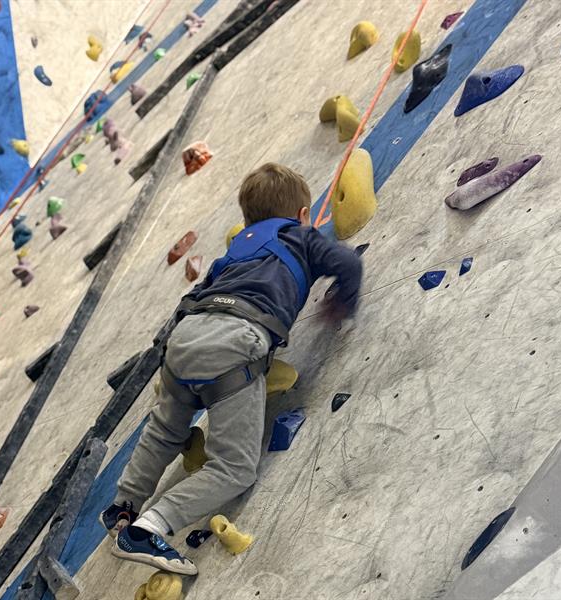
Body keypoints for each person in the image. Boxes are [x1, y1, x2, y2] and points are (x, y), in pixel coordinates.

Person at [100, 163, 363, 575]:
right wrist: (342, 301)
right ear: (303, 215)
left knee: (166, 430)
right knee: (235, 468)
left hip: (185, 337)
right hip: (234, 342)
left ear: (248, 221)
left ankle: (123, 505)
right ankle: (148, 528)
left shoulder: (238, 248)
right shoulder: (300, 234)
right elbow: (348, 264)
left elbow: (196, 295)